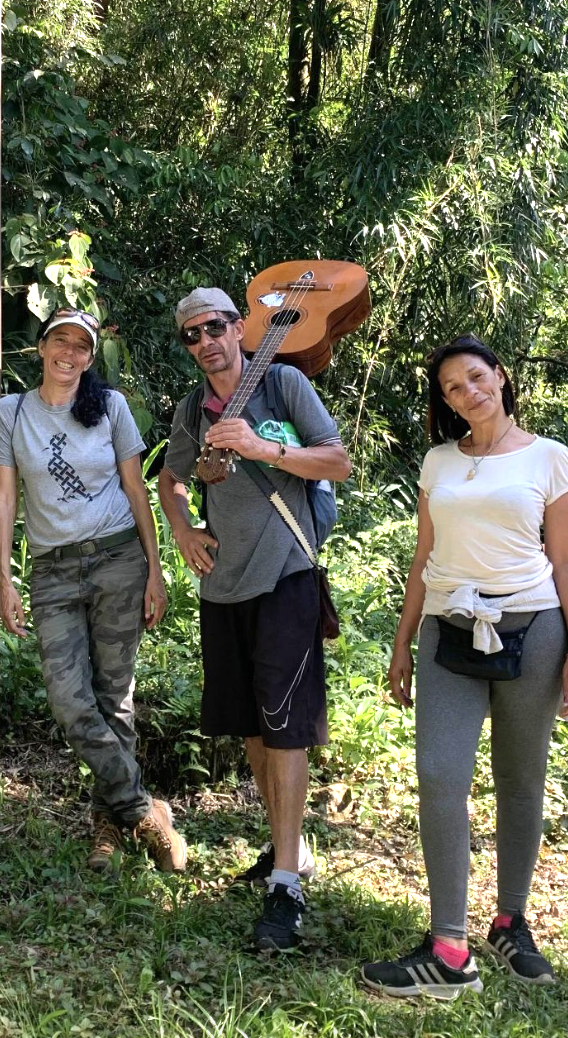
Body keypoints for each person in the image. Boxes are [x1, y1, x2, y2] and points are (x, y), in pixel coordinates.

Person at [361, 334, 568, 999]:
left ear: (501, 375)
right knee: (439, 776)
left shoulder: (548, 457)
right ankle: (448, 948)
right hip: (449, 630)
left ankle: (510, 921)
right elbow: (423, 557)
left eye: (476, 377)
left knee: (520, 779)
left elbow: (566, 559)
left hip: (533, 629)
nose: (468, 392)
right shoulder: (438, 461)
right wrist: (403, 642)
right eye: (452, 388)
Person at [157, 287, 350, 950]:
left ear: (239, 328)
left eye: (214, 327)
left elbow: (337, 460)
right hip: (223, 587)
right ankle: (285, 848)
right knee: (252, 728)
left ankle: (287, 886)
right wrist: (183, 528)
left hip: (286, 576)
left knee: (285, 728)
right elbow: (170, 481)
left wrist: (263, 449)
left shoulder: (283, 384)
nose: (205, 341)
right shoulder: (192, 409)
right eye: (192, 334)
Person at [0, 306, 186, 874]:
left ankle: (108, 827)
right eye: (60, 341)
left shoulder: (111, 407)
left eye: (81, 346)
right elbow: (4, 497)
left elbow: (135, 488)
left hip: (117, 559)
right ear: (41, 346)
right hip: (52, 570)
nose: (69, 353)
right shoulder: (11, 412)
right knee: (70, 702)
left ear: (90, 357)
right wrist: (4, 578)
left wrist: (155, 569)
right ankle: (144, 811)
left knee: (113, 697)